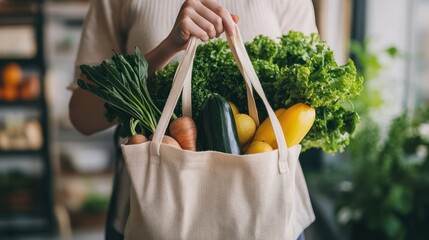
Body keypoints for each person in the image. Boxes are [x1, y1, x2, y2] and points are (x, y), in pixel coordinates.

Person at [68, 0, 318, 239]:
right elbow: (82, 116)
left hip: (268, 214)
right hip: (153, 215)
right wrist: (169, 47)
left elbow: (314, 105)